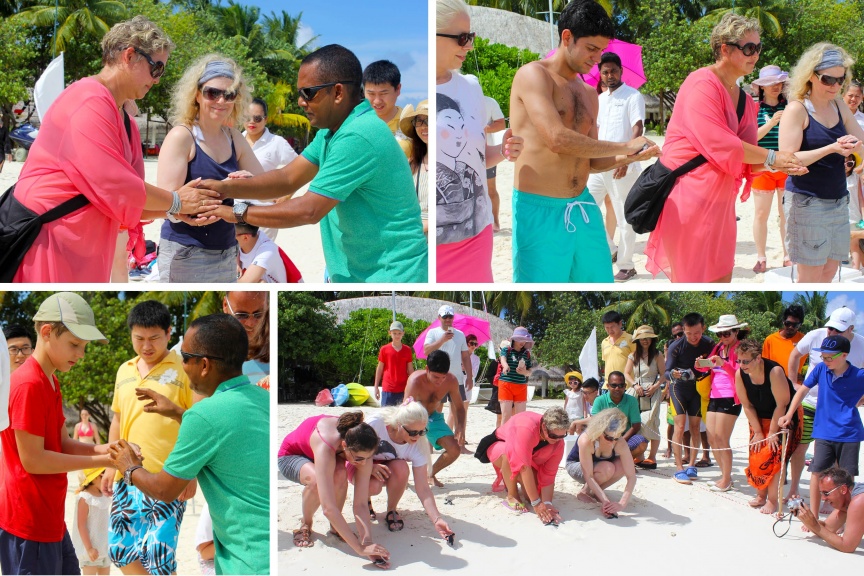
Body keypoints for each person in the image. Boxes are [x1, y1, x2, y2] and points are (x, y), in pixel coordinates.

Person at [196, 45, 428, 283]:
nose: (300, 102)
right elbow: (287, 178)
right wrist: (224, 188)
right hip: (363, 273)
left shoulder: (358, 134)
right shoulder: (334, 130)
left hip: (392, 275)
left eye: (308, 93)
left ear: (338, 92)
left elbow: (309, 210)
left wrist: (235, 213)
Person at [11, 17, 217, 282]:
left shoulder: (125, 120)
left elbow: (130, 201)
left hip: (85, 245)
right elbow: (114, 184)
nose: (157, 80)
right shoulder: (88, 98)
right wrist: (176, 201)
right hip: (48, 238)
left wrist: (176, 209)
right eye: (156, 68)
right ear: (129, 56)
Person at [645, 14, 805, 283]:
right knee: (692, 282)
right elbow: (719, 142)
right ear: (725, 49)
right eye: (749, 48)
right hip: (689, 200)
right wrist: (773, 157)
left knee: (722, 278)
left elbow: (747, 155)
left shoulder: (744, 99)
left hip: (722, 206)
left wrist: (784, 164)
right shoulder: (701, 83)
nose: (756, 54)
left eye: (758, 47)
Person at [508, 0, 657, 283]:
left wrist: (633, 156)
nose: (597, 58)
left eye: (601, 50)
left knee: (600, 284)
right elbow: (557, 139)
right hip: (539, 209)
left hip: (583, 205)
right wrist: (624, 146)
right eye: (591, 48)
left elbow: (592, 161)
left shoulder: (589, 94)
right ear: (567, 37)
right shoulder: (534, 75)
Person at [108, 314, 269, 575]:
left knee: (158, 558)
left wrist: (128, 466)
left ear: (204, 365)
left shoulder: (203, 414)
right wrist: (176, 412)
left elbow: (163, 490)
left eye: (185, 357)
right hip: (265, 551)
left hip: (247, 563)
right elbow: (223, 431)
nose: (181, 365)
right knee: (122, 550)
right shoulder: (262, 398)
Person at [0, 292, 114, 575]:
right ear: (47, 332)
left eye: (84, 346)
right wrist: (104, 461)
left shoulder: (49, 380)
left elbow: (62, 443)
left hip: (49, 517)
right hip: (28, 522)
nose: (81, 354)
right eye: (75, 344)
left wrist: (108, 449)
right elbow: (34, 461)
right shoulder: (28, 383)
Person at [101, 300, 195, 575]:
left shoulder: (184, 368)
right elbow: (117, 420)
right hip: (127, 475)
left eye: (154, 338)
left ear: (168, 333)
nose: (146, 346)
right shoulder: (124, 369)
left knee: (158, 557)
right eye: (139, 338)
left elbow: (196, 423)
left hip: (169, 477)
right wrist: (109, 466)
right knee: (120, 550)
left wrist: (191, 474)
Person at [157, 54, 263, 283]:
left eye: (229, 94)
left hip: (227, 251)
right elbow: (164, 202)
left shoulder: (234, 138)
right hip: (185, 251)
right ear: (196, 94)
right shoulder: (181, 136)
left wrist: (247, 183)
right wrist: (187, 212)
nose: (221, 100)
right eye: (212, 93)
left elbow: (266, 189)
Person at [436, 0, 521, 282]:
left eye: (470, 36)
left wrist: (504, 150)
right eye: (462, 38)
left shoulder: (471, 86)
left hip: (476, 232)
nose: (470, 46)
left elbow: (478, 156)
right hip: (426, 240)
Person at [779, 43, 864, 283]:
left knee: (829, 272)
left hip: (838, 201)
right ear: (811, 76)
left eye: (841, 79)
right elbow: (787, 159)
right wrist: (832, 148)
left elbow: (861, 141)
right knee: (810, 276)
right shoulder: (797, 109)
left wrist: (854, 146)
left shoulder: (838, 105)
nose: (835, 86)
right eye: (828, 79)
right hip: (807, 201)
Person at [278, 411, 388, 563]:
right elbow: (328, 508)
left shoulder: (363, 444)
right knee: (317, 481)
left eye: (368, 458)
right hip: (293, 455)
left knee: (340, 473)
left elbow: (361, 503)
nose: (363, 463)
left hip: (333, 453)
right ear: (344, 445)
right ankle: (306, 523)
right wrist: (359, 549)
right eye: (359, 459)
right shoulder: (325, 444)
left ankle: (335, 528)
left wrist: (367, 542)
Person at [780, 334, 864, 527]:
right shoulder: (820, 369)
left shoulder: (859, 375)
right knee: (817, 472)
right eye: (823, 356)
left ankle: (843, 520)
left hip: (849, 433)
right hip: (823, 431)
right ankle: (814, 517)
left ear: (844, 355)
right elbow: (803, 390)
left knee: (846, 478)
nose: (825, 360)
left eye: (829, 357)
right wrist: (789, 414)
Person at [586, 51, 646, 282]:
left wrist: (627, 158)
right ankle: (610, 248)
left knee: (624, 218)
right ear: (600, 74)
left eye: (613, 71)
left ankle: (627, 265)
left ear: (621, 71)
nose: (609, 75)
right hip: (600, 164)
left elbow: (638, 127)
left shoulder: (633, 96)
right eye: (605, 72)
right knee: (584, 207)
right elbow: (597, 131)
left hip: (624, 165)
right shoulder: (600, 99)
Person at [354, 402, 454, 540]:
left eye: (422, 431)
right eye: (412, 432)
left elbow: (423, 488)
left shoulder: (418, 445)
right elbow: (353, 452)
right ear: (398, 424)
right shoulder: (376, 423)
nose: (417, 436)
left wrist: (437, 519)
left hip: (387, 465)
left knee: (401, 467)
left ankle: (392, 509)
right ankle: (366, 500)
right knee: (374, 487)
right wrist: (369, 467)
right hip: (362, 461)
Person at [734, 339, 802, 514]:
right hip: (758, 417)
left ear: (758, 358)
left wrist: (772, 432)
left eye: (745, 361)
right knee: (757, 454)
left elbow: (782, 404)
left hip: (783, 417)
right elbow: (747, 405)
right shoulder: (740, 374)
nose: (741, 365)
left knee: (774, 458)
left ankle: (773, 500)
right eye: (738, 360)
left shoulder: (774, 371)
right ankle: (761, 495)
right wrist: (757, 431)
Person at [482, 407, 567, 525]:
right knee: (509, 454)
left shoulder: (558, 443)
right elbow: (523, 466)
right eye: (554, 436)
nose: (557, 440)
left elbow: (549, 474)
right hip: (500, 445)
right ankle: (512, 494)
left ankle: (514, 479)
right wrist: (536, 503)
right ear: (544, 427)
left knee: (534, 495)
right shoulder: (527, 429)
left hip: (530, 456)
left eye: (562, 436)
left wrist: (547, 503)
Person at [404, 350, 466, 488]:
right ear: (427, 369)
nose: (439, 381)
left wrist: (460, 427)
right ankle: (401, 477)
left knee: (454, 450)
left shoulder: (451, 380)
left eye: (443, 377)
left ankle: (430, 474)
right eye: (436, 377)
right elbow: (405, 409)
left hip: (433, 417)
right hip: (413, 416)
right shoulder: (415, 380)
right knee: (403, 450)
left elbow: (460, 408)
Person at [750, 65, 791, 272]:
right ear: (762, 87)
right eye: (770, 83)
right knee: (760, 214)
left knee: (786, 214)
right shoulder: (754, 109)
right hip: (761, 167)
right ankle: (761, 257)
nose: (776, 86)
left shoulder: (790, 107)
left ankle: (787, 255)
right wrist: (772, 122)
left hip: (786, 166)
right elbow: (750, 138)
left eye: (779, 82)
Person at [666, 312, 715, 483]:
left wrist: (704, 364)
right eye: (689, 333)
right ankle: (679, 468)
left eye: (697, 333)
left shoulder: (709, 343)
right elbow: (666, 371)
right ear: (683, 330)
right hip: (679, 388)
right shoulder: (675, 346)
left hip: (698, 388)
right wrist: (673, 374)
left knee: (695, 427)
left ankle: (692, 465)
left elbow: (715, 365)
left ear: (703, 328)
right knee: (679, 427)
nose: (693, 337)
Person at [243, 97, 298, 242]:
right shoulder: (235, 140)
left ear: (266, 119)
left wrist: (286, 196)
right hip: (236, 210)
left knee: (262, 252)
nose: (251, 122)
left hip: (265, 211)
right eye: (247, 117)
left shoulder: (277, 143)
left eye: (257, 118)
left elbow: (300, 168)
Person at [565, 408, 637, 519]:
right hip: (577, 465)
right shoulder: (587, 440)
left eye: (616, 438)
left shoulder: (619, 442)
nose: (612, 442)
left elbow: (631, 476)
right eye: (608, 437)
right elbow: (588, 475)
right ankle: (584, 492)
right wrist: (606, 502)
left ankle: (595, 492)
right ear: (599, 431)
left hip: (600, 467)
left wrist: (622, 504)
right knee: (607, 468)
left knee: (622, 465)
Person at [704, 315, 748, 492]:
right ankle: (725, 476)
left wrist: (723, 364)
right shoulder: (718, 347)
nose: (723, 337)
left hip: (731, 396)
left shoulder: (741, 349)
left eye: (726, 333)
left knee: (722, 438)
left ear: (736, 332)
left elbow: (740, 372)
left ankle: (726, 479)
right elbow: (706, 367)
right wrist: (700, 364)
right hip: (714, 395)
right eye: (720, 334)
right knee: (712, 438)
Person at [423, 305, 472, 451]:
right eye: (445, 316)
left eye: (450, 316)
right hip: (438, 379)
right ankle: (430, 445)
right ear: (439, 318)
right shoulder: (433, 332)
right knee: (434, 411)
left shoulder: (460, 335)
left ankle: (460, 445)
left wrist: (469, 376)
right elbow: (426, 350)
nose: (448, 319)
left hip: (457, 379)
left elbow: (465, 357)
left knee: (459, 412)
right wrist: (441, 340)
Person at [623, 325, 666, 469]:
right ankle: (639, 455)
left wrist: (655, 387)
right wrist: (635, 385)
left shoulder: (657, 355)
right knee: (634, 422)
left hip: (652, 390)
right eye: (642, 338)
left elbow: (663, 374)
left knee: (651, 421)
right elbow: (626, 373)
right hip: (637, 390)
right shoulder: (633, 355)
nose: (645, 340)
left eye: (648, 338)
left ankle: (652, 456)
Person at [796, 466, 864, 553]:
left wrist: (814, 525)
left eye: (826, 493)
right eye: (821, 493)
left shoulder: (859, 500)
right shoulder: (847, 500)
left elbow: (848, 546)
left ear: (843, 489)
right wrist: (803, 515)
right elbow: (827, 529)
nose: (823, 498)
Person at [590, 371, 648, 463]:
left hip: (624, 437)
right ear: (608, 386)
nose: (617, 388)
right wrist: (607, 440)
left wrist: (619, 441)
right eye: (614, 385)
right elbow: (594, 423)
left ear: (625, 386)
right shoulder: (599, 400)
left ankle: (621, 462)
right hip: (603, 438)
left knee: (642, 443)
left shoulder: (632, 401)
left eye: (621, 385)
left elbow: (636, 425)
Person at [71, 468, 110, 575]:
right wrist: (89, 548)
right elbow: (81, 525)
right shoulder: (85, 498)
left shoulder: (104, 495)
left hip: (104, 547)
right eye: (104, 476)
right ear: (95, 477)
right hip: (90, 550)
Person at [399, 101, 430, 235]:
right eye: (419, 121)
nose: (423, 126)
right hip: (414, 235)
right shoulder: (410, 164)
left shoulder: (450, 163)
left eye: (428, 120)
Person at [497, 327, 534, 427]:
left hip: (521, 386)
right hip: (506, 384)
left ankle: (518, 435)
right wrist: (505, 366)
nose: (523, 342)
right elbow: (502, 359)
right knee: (506, 416)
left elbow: (530, 371)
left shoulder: (526, 353)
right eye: (520, 339)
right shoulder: (507, 349)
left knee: (521, 417)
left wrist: (525, 372)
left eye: (524, 340)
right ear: (514, 339)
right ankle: (504, 435)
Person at [374, 321, 414, 406]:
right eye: (394, 333)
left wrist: (413, 386)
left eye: (399, 333)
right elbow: (380, 368)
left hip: (403, 389)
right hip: (388, 388)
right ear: (390, 333)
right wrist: (376, 387)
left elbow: (410, 370)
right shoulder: (384, 349)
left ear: (403, 333)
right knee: (386, 413)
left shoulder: (407, 350)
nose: (397, 336)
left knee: (402, 413)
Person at [761, 304, 806, 379]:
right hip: (774, 383)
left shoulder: (805, 340)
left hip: (795, 384)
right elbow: (764, 365)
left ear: (800, 325)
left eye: (795, 325)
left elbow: (819, 359)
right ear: (783, 321)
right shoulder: (770, 340)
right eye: (788, 323)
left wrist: (806, 377)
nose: (791, 327)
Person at [363, 60, 404, 137]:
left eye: (383, 93)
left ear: (398, 89)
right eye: (371, 94)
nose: (377, 101)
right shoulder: (356, 123)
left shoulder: (411, 123)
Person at [484, 95, 506, 231]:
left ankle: (496, 222)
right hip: (464, 153)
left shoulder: (489, 102)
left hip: (487, 152)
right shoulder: (459, 98)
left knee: (491, 189)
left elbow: (501, 124)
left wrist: (483, 129)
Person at [601, 311, 636, 389]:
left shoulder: (631, 339)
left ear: (620, 324)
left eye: (612, 327)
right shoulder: (604, 342)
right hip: (608, 386)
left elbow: (638, 362)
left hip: (626, 386)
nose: (610, 330)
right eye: (607, 327)